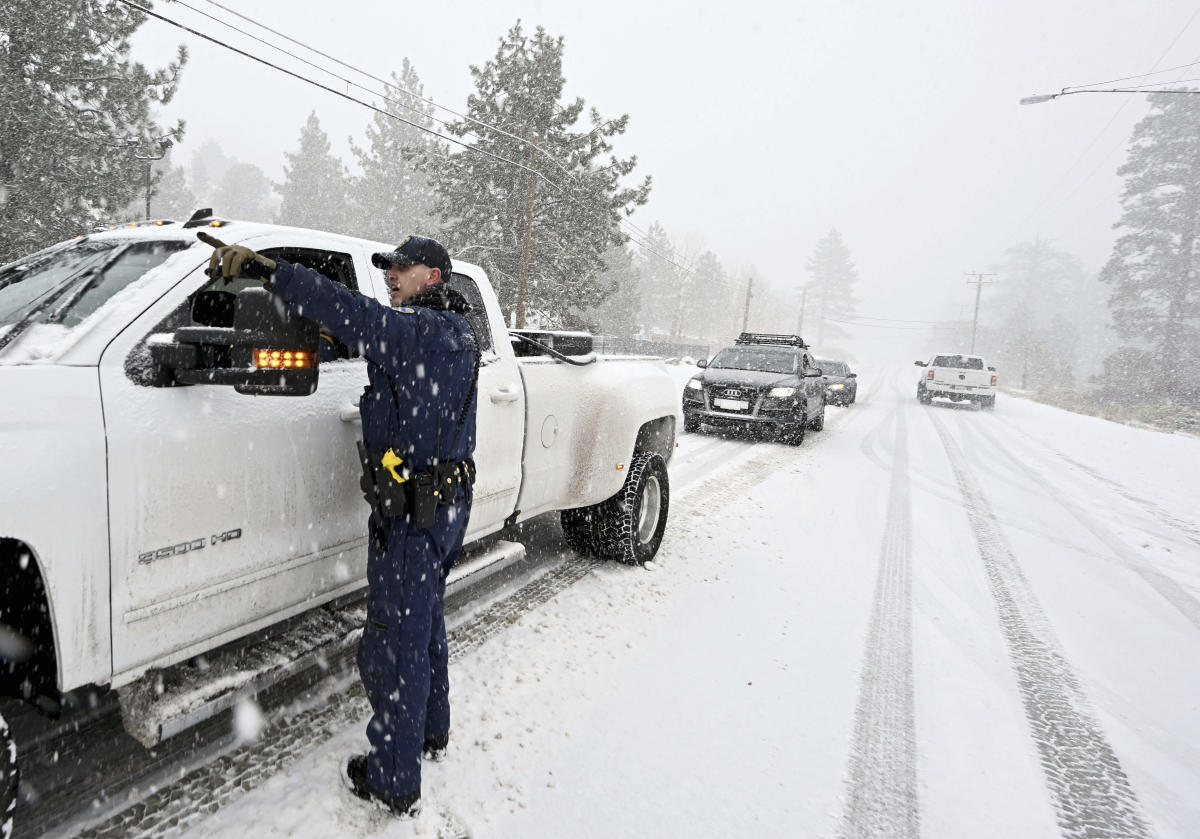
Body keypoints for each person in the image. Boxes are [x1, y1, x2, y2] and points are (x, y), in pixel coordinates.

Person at [202, 233, 479, 817]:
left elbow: (360, 316)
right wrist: (314, 339)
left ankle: (392, 777)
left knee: (394, 642)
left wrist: (272, 272)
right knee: (424, 624)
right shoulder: (443, 334)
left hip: (413, 515)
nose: (390, 275)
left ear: (433, 276)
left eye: (401, 268)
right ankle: (431, 732)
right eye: (388, 268)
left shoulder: (421, 333)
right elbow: (362, 334)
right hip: (441, 507)